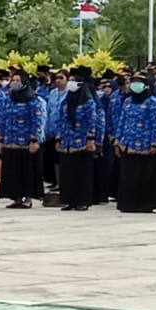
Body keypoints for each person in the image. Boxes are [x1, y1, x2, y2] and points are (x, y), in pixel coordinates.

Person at [115, 72, 156, 213]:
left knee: (145, 175)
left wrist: (155, 143)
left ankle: (145, 204)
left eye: (139, 82)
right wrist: (117, 141)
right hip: (128, 143)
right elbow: (122, 121)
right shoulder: (128, 101)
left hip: (145, 144)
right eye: (133, 81)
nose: (135, 84)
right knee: (128, 175)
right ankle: (128, 204)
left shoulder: (152, 101)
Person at [55, 66, 102, 211]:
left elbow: (92, 121)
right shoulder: (66, 102)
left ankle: (83, 200)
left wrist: (90, 139)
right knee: (68, 173)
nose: (70, 84)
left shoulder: (88, 103)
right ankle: (69, 200)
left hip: (82, 143)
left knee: (82, 173)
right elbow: (61, 121)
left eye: (73, 82)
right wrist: (59, 139)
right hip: (68, 142)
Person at [0, 73, 45, 210]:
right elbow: (3, 120)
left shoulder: (33, 100)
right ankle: (16, 197)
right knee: (13, 171)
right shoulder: (8, 100)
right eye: (13, 80)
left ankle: (28, 199)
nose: (14, 83)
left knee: (28, 171)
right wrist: (1, 139)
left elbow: (38, 121)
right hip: (10, 141)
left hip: (27, 142)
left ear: (25, 83)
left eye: (18, 80)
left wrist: (35, 139)